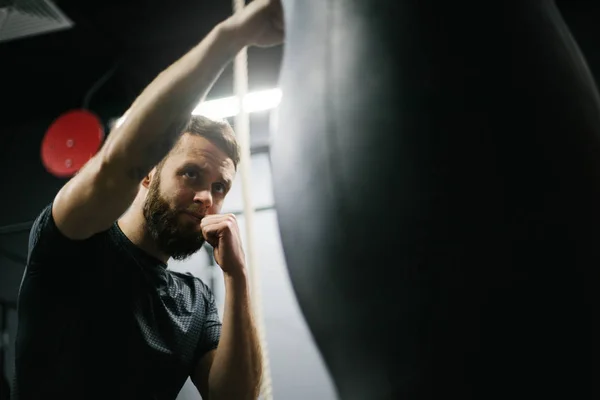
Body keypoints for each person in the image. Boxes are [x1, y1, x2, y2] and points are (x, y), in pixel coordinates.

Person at [11, 0, 284, 399]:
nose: (207, 197)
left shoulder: (195, 301)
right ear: (148, 172)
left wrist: (237, 278)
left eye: (220, 187)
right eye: (190, 173)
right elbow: (115, 166)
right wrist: (232, 37)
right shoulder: (76, 239)